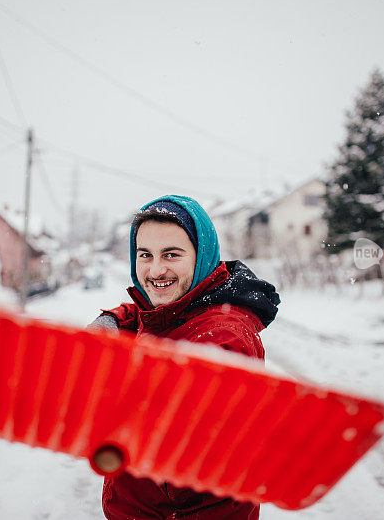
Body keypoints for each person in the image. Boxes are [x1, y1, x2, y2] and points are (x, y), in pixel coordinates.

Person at [91, 194, 280, 520]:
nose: (155, 269)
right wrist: (113, 321)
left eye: (171, 255)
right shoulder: (179, 307)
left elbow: (184, 421)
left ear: (201, 255)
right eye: (145, 255)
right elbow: (143, 314)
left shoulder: (225, 335)